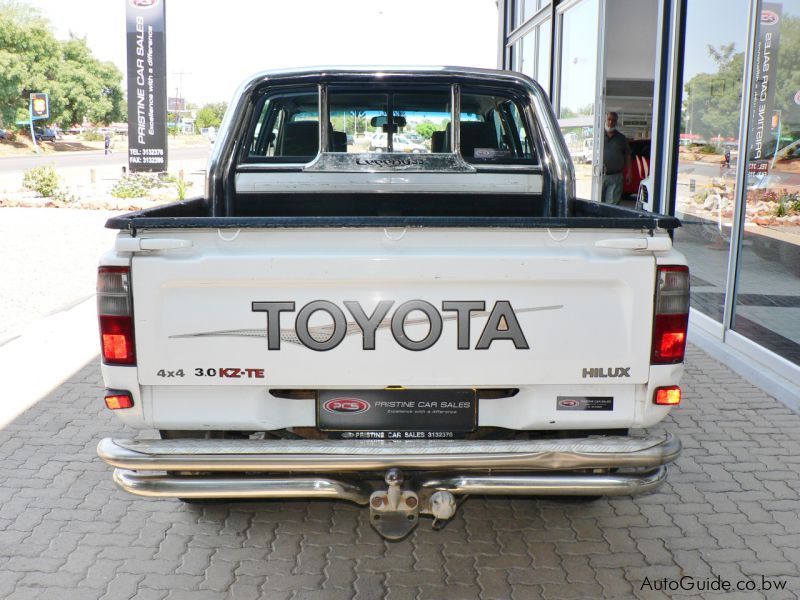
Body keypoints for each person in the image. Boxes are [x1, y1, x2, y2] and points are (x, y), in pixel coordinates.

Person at [602, 112, 631, 205]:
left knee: (612, 205)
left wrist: (629, 172)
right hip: (599, 176)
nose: (610, 122)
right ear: (605, 120)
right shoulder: (598, 136)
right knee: (597, 203)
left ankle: (609, 220)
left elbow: (628, 155)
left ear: (616, 122)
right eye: (609, 119)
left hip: (615, 176)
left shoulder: (621, 138)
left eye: (613, 120)